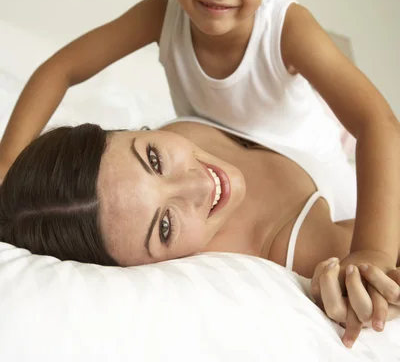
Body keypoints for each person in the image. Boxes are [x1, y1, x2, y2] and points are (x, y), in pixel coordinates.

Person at [0, 0, 399, 328]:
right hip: (220, 135)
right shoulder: (163, 12)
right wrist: (7, 167)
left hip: (308, 156)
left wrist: (371, 249)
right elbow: (60, 68)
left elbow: (377, 122)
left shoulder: (287, 26)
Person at [0, 120, 399, 350]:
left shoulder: (187, 130)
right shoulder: (291, 257)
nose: (199, 185)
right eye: (165, 226)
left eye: (153, 159)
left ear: (130, 130)